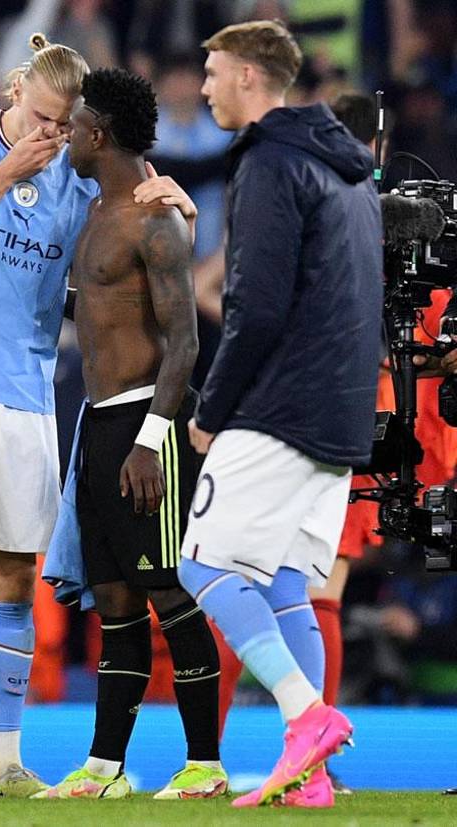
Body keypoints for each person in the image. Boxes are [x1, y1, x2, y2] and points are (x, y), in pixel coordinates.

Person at [0, 33, 194, 798]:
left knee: (14, 579)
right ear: (16, 91)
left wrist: (170, 204)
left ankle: (4, 760)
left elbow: (101, 273)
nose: (49, 139)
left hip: (25, 391)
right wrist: (5, 172)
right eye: (39, 119)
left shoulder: (72, 179)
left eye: (62, 127)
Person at [174, 20, 382, 809]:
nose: (204, 87)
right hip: (341, 413)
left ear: (252, 80)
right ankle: (312, 778)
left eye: (214, 72)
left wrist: (213, 408)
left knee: (203, 564)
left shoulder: (270, 164)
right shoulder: (352, 171)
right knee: (291, 582)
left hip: (280, 408)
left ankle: (307, 718)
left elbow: (253, 307)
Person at [38, 67, 224, 801]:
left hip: (150, 423)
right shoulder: (94, 216)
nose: (68, 137)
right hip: (99, 423)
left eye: (76, 124)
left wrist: (151, 438)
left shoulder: (156, 219)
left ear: (99, 133)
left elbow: (185, 343)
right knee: (114, 600)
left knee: (168, 589)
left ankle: (205, 764)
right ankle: (105, 768)